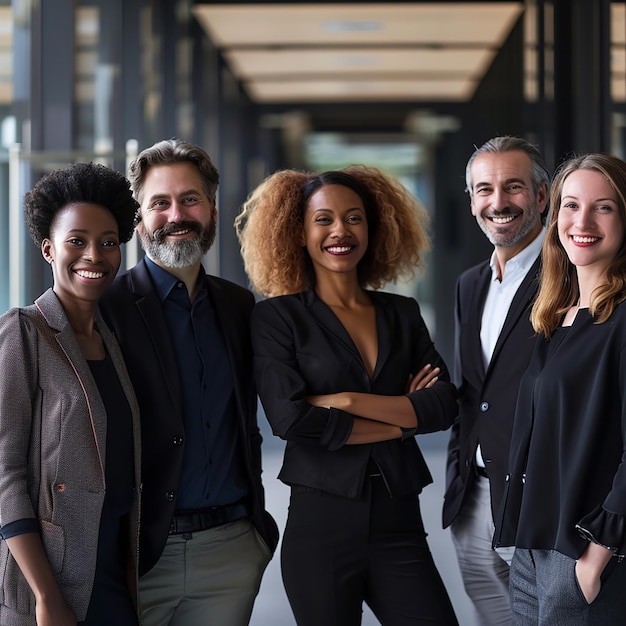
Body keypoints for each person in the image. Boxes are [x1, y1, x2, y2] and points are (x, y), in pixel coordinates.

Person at [236, 165, 459, 626]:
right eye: (324, 219)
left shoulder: (402, 313)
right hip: (321, 528)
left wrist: (348, 401)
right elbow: (291, 420)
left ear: (372, 228)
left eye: (354, 218)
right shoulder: (277, 319)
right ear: (298, 232)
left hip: (400, 522)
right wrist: (402, 421)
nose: (341, 231)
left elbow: (443, 404)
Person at [99, 138, 278, 626]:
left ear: (214, 211)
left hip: (230, 552)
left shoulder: (241, 307)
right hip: (135, 556)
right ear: (137, 220)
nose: (176, 214)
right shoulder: (103, 309)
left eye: (190, 199)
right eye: (159, 203)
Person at [0, 162, 142, 625]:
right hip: (50, 574)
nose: (94, 255)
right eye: (76, 241)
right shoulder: (23, 332)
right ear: (48, 249)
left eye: (108, 243)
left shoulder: (111, 339)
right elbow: (4, 473)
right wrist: (45, 595)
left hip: (115, 566)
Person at [493, 153, 626, 625]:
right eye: (570, 205)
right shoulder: (556, 315)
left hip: (586, 554)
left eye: (603, 207)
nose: (582, 221)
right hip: (533, 552)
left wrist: (597, 557)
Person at [442, 136, 550, 624]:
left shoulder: (570, 275)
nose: (498, 202)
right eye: (484, 189)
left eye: (513, 187)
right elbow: (473, 394)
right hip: (475, 498)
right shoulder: (471, 283)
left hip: (541, 499)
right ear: (470, 201)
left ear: (542, 196)